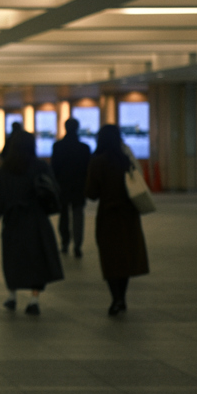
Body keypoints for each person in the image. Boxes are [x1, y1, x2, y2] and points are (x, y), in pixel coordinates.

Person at [0, 131, 64, 315]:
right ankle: (34, 299)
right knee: (36, 260)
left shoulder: (6, 169)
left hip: (13, 220)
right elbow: (52, 189)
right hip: (36, 220)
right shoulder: (40, 166)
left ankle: (12, 296)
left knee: (13, 259)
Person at [85, 124, 149, 316]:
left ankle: (116, 298)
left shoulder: (97, 162)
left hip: (109, 216)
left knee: (110, 258)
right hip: (129, 217)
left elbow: (92, 193)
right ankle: (122, 296)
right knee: (125, 256)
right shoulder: (126, 160)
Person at [51, 118, 92, 258]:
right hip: (79, 186)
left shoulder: (58, 146)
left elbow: (54, 168)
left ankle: (65, 242)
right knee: (78, 215)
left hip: (62, 186)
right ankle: (77, 245)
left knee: (63, 215)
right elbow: (88, 169)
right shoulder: (84, 148)